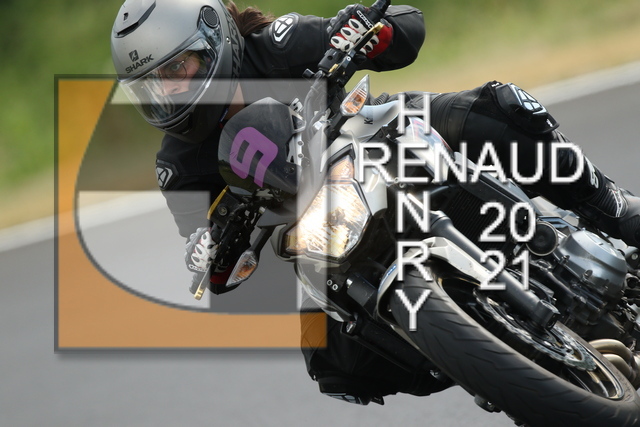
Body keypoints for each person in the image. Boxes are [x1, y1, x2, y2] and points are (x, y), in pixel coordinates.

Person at [111, 0, 640, 404]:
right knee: (332, 363)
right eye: (151, 84)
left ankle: (612, 205)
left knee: (497, 110)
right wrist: (207, 251)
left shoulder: (274, 45)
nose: (168, 91)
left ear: (216, 40)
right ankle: (493, 358)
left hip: (373, 137)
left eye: (178, 69)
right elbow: (212, 258)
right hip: (318, 233)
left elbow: (408, 28)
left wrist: (369, 30)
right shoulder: (177, 166)